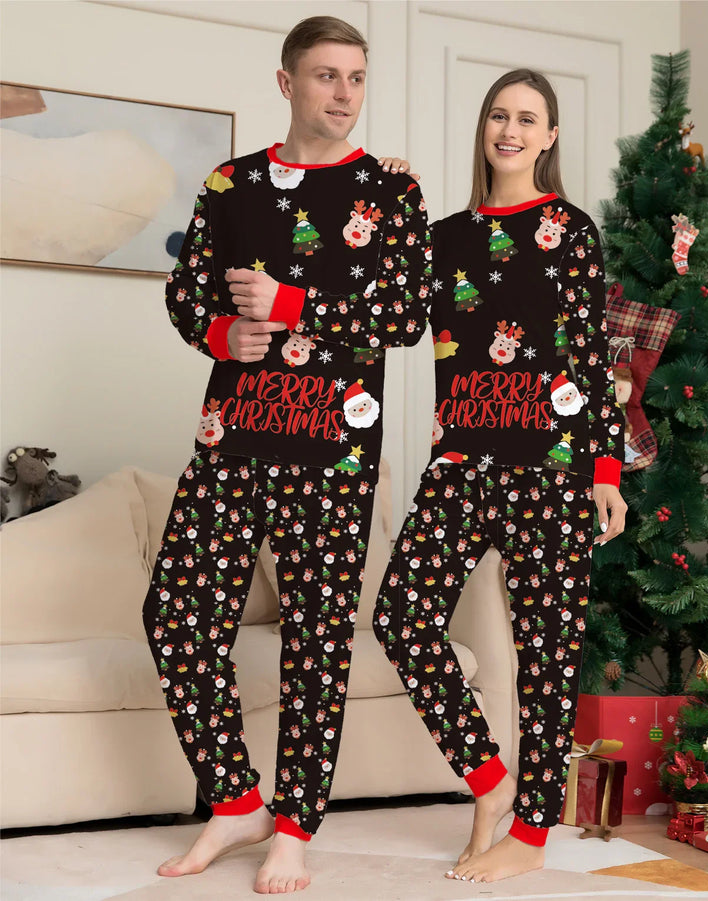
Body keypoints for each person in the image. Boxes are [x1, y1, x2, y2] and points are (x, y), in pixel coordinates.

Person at [142, 15, 431, 896]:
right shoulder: (229, 184)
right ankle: (234, 798)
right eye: (325, 76)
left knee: (318, 644)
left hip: (335, 456)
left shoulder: (391, 190)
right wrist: (228, 329)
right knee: (175, 615)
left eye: (355, 76)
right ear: (286, 84)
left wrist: (293, 301)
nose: (343, 93)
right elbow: (186, 293)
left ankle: (294, 827)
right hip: (233, 443)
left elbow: (406, 315)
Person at [371, 69, 627, 884]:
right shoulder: (445, 237)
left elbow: (592, 359)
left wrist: (605, 470)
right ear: (484, 128)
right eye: (498, 115)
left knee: (547, 653)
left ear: (549, 138)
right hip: (461, 464)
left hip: (551, 470)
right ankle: (489, 777)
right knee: (401, 617)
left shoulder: (571, 231)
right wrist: (397, 219)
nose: (509, 130)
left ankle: (529, 831)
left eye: (528, 119)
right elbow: (398, 321)